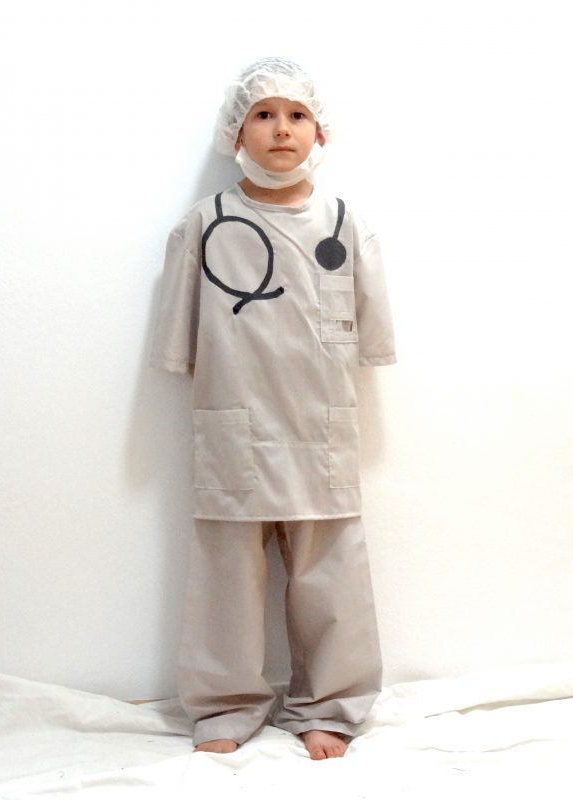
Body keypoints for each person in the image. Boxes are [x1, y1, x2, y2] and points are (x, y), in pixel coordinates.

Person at [150, 57, 396, 760]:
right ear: (237, 131)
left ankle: (331, 706)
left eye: (296, 114)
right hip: (236, 423)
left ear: (321, 131)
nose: (280, 128)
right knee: (227, 573)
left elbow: (374, 335)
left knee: (330, 572)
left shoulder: (346, 224)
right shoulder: (205, 224)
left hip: (321, 426)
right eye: (263, 114)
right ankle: (224, 706)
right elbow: (175, 340)